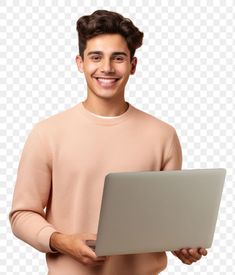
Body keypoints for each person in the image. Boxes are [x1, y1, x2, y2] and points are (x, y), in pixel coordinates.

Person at [9, 9, 207, 275]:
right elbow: (22, 215)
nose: (107, 68)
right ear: (80, 63)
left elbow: (163, 223)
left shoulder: (163, 135)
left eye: (118, 58)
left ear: (132, 65)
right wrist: (61, 242)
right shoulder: (47, 133)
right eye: (96, 57)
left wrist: (182, 245)